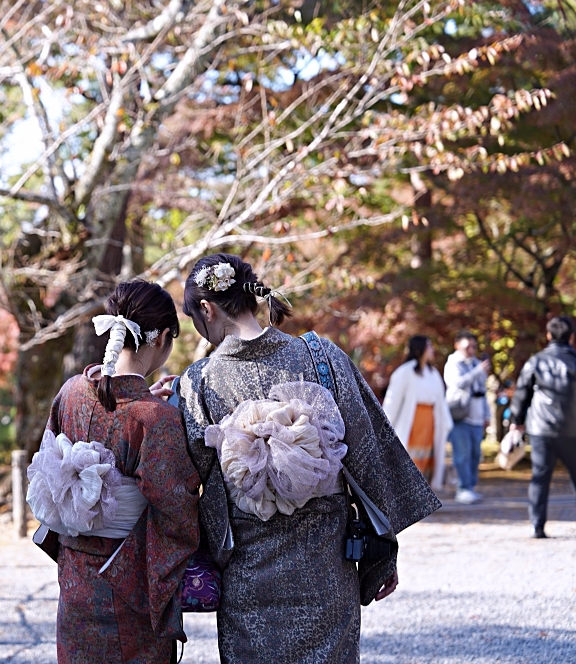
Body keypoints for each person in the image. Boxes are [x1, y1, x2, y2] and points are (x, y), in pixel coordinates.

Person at [177, 253, 440, 664]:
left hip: (249, 573)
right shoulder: (321, 357)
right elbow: (369, 457)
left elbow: (195, 479)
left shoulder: (199, 382)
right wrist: (384, 551)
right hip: (325, 567)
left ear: (206, 309)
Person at [26, 280, 200, 664]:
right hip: (129, 584)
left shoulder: (71, 392)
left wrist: (144, 401)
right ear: (163, 337)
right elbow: (177, 516)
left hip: (75, 578)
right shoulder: (157, 420)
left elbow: (50, 467)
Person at [510, 316, 576, 539]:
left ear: (548, 335)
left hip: (541, 428)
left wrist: (516, 421)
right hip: (572, 430)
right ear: (571, 337)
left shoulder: (536, 361)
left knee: (540, 477)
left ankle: (537, 526)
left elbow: (521, 394)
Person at [383, 336, 454, 490]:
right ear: (419, 349)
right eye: (429, 347)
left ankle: (422, 491)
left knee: (428, 457)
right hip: (412, 422)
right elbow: (393, 401)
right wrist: (385, 424)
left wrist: (446, 423)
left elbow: (441, 401)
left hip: (430, 421)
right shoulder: (404, 372)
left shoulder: (433, 373)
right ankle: (409, 491)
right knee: (410, 457)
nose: (432, 350)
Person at [443, 331, 491, 504]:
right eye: (467, 346)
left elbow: (483, 392)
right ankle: (462, 488)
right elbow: (457, 384)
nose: (471, 350)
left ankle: (470, 487)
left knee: (475, 454)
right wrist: (478, 371)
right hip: (460, 416)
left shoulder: (476, 364)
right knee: (461, 454)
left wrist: (487, 414)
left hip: (477, 417)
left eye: (473, 346)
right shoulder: (453, 363)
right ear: (457, 346)